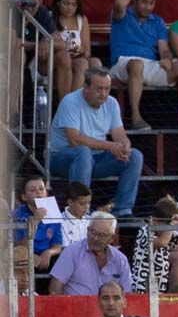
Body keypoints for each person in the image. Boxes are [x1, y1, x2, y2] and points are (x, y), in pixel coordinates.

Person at [48, 66, 143, 218]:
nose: (104, 94)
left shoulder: (112, 103)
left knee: (135, 156)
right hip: (61, 157)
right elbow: (74, 140)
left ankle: (123, 210)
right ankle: (82, 211)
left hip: (94, 159)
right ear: (86, 87)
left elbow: (119, 134)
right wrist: (111, 146)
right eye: (99, 89)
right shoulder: (70, 101)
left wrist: (125, 146)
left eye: (107, 89)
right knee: (83, 152)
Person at [109, 0, 178, 130]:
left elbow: (164, 49)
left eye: (152, 3)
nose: (148, 7)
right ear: (134, 1)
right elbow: (119, 4)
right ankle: (136, 117)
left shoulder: (157, 22)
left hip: (150, 65)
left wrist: (167, 58)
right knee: (136, 64)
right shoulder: (123, 15)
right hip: (123, 64)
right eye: (144, 1)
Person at [49, 212, 132, 295]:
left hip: (108, 307)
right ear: (88, 229)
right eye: (93, 232)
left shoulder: (120, 259)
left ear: (111, 238)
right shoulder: (72, 252)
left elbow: (127, 292)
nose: (95, 238)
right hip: (76, 306)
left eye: (102, 235)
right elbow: (55, 286)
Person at [130, 196, 178, 293]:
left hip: (159, 285)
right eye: (165, 225)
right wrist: (171, 225)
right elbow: (162, 243)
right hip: (142, 286)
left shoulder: (166, 233)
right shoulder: (145, 230)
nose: (166, 228)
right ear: (155, 220)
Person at [50, 0, 99, 98]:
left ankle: (72, 105)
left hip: (75, 59)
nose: (70, 8)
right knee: (68, 60)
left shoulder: (82, 19)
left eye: (73, 5)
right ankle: (68, 105)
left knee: (86, 63)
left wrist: (81, 50)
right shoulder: (50, 17)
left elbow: (87, 52)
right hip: (56, 61)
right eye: (66, 3)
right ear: (58, 2)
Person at [12, 176, 62, 273]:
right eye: (32, 190)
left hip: (46, 256)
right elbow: (21, 247)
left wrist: (49, 252)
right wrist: (35, 220)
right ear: (24, 196)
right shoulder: (18, 214)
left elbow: (57, 245)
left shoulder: (53, 211)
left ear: (46, 193)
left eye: (41, 189)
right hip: (26, 255)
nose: (38, 192)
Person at [59, 181, 92, 248]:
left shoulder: (91, 221)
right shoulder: (60, 222)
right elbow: (66, 250)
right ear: (70, 202)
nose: (87, 207)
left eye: (89, 203)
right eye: (82, 204)